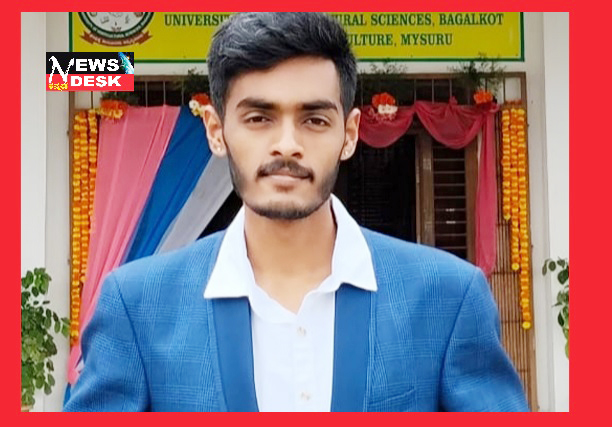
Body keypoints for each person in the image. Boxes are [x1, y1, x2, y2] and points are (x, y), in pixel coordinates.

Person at [64, 12, 529, 412]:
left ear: (349, 134)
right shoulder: (138, 306)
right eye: (259, 118)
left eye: (314, 120)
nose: (287, 144)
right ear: (216, 131)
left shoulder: (447, 298)